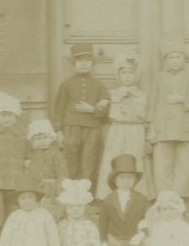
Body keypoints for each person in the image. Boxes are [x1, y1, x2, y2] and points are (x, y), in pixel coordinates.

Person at [148, 39, 189, 199]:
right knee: (162, 165)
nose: (174, 61)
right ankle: (164, 197)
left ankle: (179, 197)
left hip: (186, 127)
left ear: (184, 59)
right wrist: (151, 126)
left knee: (185, 164)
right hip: (163, 127)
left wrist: (183, 98)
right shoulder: (159, 78)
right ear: (166, 60)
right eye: (170, 57)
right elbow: (152, 103)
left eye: (178, 57)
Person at [53, 43, 110, 192]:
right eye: (79, 61)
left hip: (92, 129)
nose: (84, 64)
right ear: (73, 64)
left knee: (89, 161)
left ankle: (87, 195)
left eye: (87, 60)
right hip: (71, 127)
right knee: (71, 160)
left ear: (92, 63)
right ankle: (71, 193)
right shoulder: (66, 84)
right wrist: (58, 131)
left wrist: (93, 109)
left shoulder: (98, 85)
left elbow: (106, 109)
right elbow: (58, 108)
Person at [96, 53, 152, 201]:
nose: (127, 76)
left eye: (130, 73)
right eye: (124, 73)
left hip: (136, 130)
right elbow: (103, 114)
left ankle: (139, 193)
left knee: (135, 158)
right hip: (117, 129)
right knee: (114, 157)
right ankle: (108, 193)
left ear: (136, 75)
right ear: (118, 76)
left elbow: (146, 116)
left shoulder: (142, 95)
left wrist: (148, 135)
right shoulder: (111, 94)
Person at [24, 119, 68, 221]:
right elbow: (31, 173)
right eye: (38, 139)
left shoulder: (56, 153)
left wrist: (60, 190)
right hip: (37, 187)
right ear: (34, 141)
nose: (42, 141)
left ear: (51, 138)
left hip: (51, 188)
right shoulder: (34, 155)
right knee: (36, 211)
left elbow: (62, 172)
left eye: (45, 138)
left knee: (50, 211)